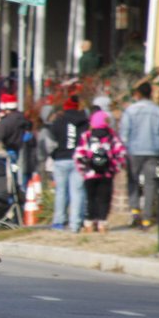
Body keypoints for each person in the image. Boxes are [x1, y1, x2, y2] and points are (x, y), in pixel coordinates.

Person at [119, 82, 159, 228]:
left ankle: (135, 210)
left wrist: (123, 151)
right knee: (150, 184)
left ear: (138, 94)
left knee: (132, 180)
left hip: (134, 150)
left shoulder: (130, 110)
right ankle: (147, 217)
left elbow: (124, 133)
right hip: (153, 151)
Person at [74, 111, 127, 232]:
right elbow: (121, 153)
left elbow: (79, 154)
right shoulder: (111, 135)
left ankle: (89, 223)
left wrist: (83, 170)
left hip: (89, 173)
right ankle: (102, 223)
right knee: (104, 199)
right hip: (106, 173)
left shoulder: (86, 136)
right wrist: (114, 168)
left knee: (91, 198)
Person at [49, 95, 89, 232]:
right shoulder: (84, 122)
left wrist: (54, 154)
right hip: (78, 159)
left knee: (61, 192)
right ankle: (75, 224)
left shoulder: (58, 121)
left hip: (61, 158)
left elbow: (50, 142)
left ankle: (58, 222)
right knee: (77, 191)